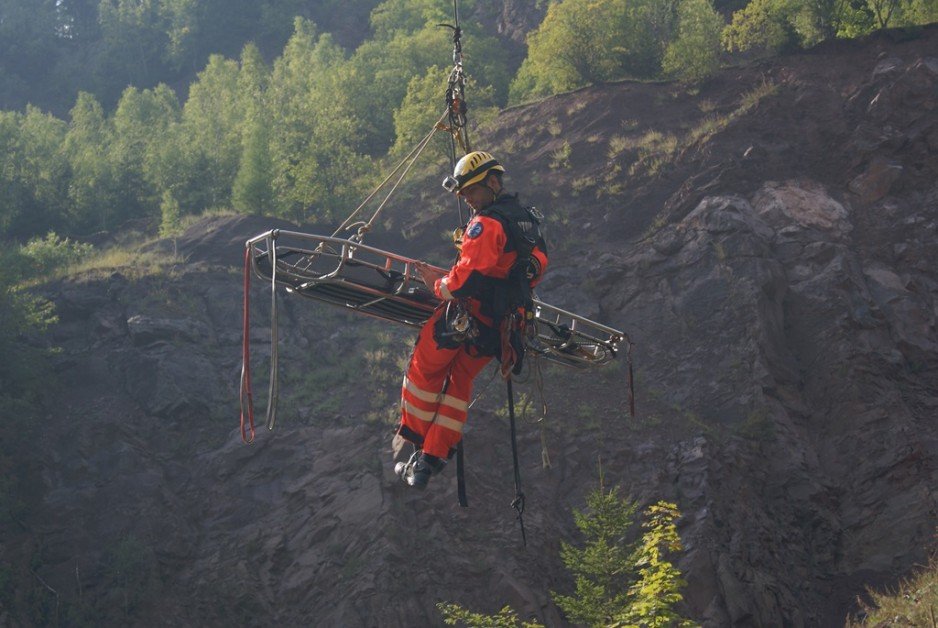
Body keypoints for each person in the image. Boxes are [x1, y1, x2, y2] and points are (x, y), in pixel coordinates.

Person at [394, 151, 549, 489]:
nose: (466, 199)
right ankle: (430, 459)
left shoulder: (485, 223)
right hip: (503, 324)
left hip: (468, 315)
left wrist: (438, 284)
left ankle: (416, 439)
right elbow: (536, 265)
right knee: (459, 384)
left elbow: (465, 281)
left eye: (470, 191)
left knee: (425, 368)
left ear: (493, 183)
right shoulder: (527, 220)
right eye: (462, 193)